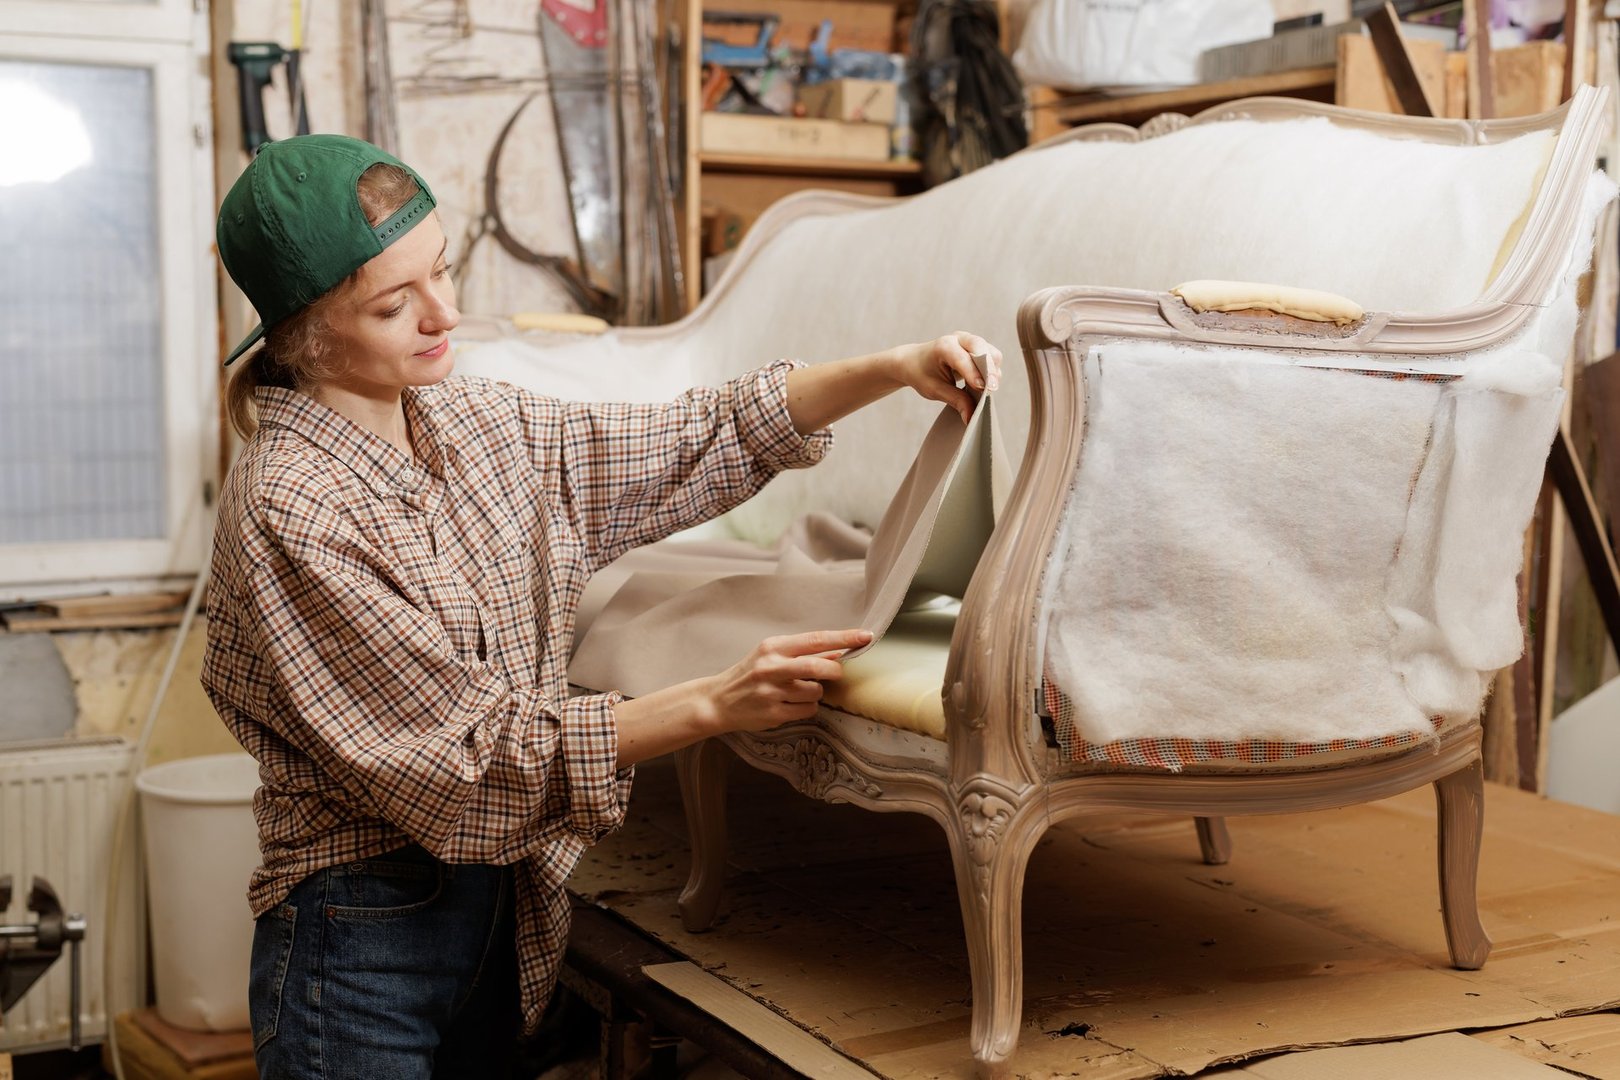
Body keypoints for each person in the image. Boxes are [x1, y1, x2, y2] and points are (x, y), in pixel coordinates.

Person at [200, 133, 1002, 1079]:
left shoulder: (471, 421)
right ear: (302, 332)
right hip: (358, 935)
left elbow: (683, 438)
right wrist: (708, 703)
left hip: (497, 913)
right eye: (393, 303)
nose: (444, 313)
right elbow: (466, 763)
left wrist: (889, 369)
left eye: (443, 272)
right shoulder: (292, 506)